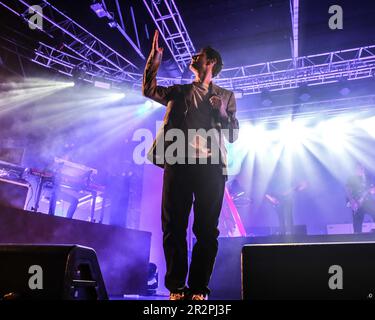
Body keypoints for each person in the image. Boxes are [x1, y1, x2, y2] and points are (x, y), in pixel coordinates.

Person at [142, 30, 239, 300]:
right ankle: (176, 288)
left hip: (210, 168)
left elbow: (232, 134)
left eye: (200, 55)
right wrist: (155, 60)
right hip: (179, 163)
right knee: (173, 226)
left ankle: (198, 289)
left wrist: (220, 110)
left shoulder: (227, 96)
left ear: (211, 63)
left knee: (207, 230)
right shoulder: (179, 90)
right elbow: (149, 90)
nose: (193, 56)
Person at [345, 163, 375, 233]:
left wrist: (372, 191)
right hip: (356, 203)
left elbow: (372, 190)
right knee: (357, 226)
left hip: (368, 202)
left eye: (361, 168)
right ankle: (357, 239)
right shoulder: (351, 178)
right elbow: (347, 190)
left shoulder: (369, 178)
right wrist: (352, 201)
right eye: (357, 169)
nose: (360, 170)